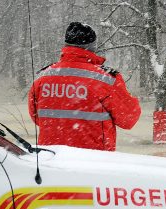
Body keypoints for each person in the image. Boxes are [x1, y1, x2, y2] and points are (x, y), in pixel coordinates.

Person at [28, 22, 141, 151]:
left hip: (51, 160)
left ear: (66, 45)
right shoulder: (105, 79)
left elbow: (37, 118)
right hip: (92, 162)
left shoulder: (43, 77)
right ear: (92, 47)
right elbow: (128, 119)